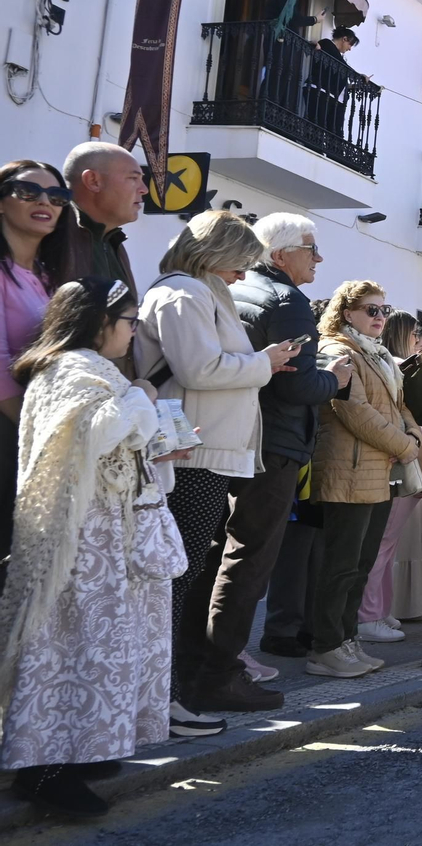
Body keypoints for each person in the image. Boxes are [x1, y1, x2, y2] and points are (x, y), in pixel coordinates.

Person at [0, 278, 177, 818]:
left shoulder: (86, 369)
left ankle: (81, 754)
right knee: (70, 648)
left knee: (99, 650)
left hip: (102, 532)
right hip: (79, 537)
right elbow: (99, 434)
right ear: (99, 322)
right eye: (129, 321)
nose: (134, 333)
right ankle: (45, 770)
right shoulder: (71, 369)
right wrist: (141, 396)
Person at [133, 212, 300, 736]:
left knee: (184, 576)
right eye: (238, 263)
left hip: (204, 450)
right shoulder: (185, 293)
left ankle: (171, 695)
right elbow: (199, 370)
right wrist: (265, 363)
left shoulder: (201, 291)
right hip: (193, 453)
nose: (241, 275)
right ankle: (164, 700)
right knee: (176, 580)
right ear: (215, 254)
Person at [176, 214, 353, 711]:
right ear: (281, 255)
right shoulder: (288, 301)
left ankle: (192, 668)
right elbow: (295, 385)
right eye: (311, 249)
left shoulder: (239, 292)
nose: (318, 259)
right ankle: (219, 674)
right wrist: (333, 381)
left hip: (238, 436)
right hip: (272, 443)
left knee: (216, 555)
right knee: (249, 558)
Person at [306, 282, 422, 678]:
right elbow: (353, 410)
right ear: (346, 313)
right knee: (340, 566)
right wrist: (404, 445)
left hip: (379, 472)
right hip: (349, 469)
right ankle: (325, 648)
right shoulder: (337, 351)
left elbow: (399, 405)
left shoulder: (379, 355)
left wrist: (412, 435)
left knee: (361, 563)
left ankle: (346, 639)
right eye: (370, 310)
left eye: (383, 310)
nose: (379, 317)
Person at [0, 160, 70, 595]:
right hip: (12, 432)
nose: (45, 201)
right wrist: (34, 433)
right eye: (28, 191)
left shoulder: (48, 275)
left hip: (34, 435)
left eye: (56, 197)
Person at [357, 310, 422, 636]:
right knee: (383, 541)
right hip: (402, 460)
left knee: (388, 542)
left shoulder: (396, 365)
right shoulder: (399, 367)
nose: (419, 339)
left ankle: (381, 609)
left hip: (411, 458)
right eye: (414, 332)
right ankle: (369, 615)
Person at [58, 142, 145, 294]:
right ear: (93, 181)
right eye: (133, 178)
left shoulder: (113, 240)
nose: (144, 189)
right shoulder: (55, 237)